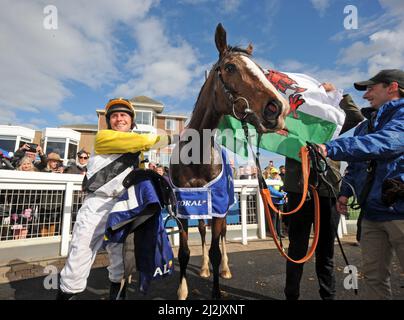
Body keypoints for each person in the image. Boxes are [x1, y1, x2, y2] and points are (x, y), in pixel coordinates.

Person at [57, 98, 172, 300]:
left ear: (131, 120)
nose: (119, 119)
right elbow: (143, 141)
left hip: (122, 206)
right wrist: (176, 138)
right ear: (109, 121)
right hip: (97, 205)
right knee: (80, 254)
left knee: (119, 260)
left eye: (124, 115)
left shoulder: (138, 153)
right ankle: (67, 294)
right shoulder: (104, 137)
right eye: (115, 116)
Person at [318, 69, 404, 299]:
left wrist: (331, 148)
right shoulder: (369, 124)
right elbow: (358, 164)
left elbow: (387, 143)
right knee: (374, 278)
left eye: (371, 88)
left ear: (392, 87)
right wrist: (345, 192)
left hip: (400, 212)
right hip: (373, 213)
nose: (366, 95)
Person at [283, 82, 364, 300]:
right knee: (296, 250)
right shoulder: (289, 120)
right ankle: (291, 295)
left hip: (328, 190)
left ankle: (328, 296)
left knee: (326, 251)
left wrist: (339, 94)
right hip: (298, 191)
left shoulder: (332, 121)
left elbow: (356, 117)